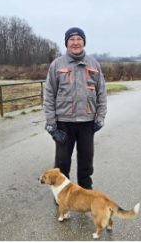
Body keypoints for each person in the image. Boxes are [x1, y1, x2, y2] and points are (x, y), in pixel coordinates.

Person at [44, 27, 106, 191]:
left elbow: (102, 93)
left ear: (84, 42)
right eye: (72, 39)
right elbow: (49, 94)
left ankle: (85, 189)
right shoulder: (57, 64)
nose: (76, 42)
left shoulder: (94, 64)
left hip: (87, 121)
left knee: (86, 159)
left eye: (79, 39)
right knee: (62, 161)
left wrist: (100, 117)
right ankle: (61, 192)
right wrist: (51, 123)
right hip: (64, 122)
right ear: (66, 43)